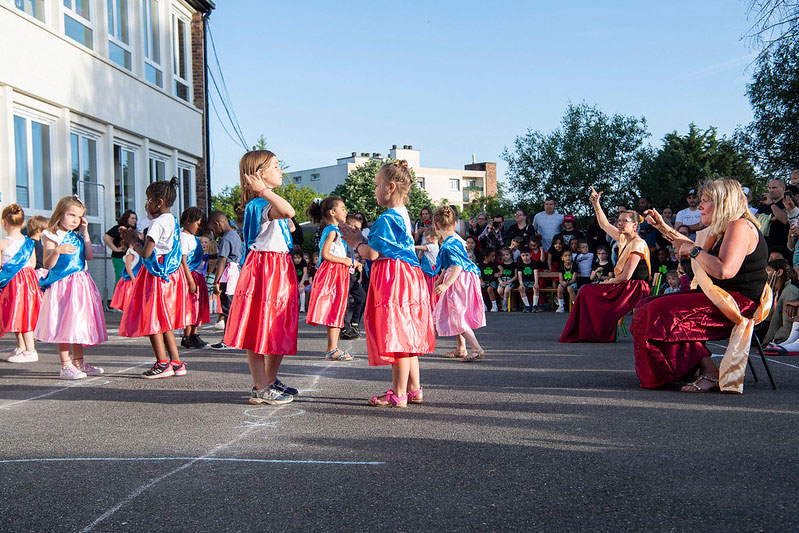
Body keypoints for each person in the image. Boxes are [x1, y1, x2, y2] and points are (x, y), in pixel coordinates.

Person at [633, 179, 767, 392]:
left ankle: (709, 372)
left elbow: (724, 270)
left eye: (705, 201)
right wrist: (662, 227)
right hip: (721, 297)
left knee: (659, 312)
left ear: (723, 202)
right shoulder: (723, 228)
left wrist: (695, 252)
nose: (700, 206)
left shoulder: (739, 226)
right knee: (645, 305)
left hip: (737, 304)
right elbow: (690, 246)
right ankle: (685, 367)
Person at [339, 160, 435, 407]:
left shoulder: (387, 218)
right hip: (409, 276)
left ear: (391, 187)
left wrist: (356, 241)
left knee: (398, 333)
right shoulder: (404, 215)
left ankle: (398, 392)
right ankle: (413, 389)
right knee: (408, 333)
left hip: (395, 279)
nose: (375, 190)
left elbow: (372, 253)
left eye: (377, 185)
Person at [223, 150, 299, 405]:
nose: (281, 171)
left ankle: (269, 379)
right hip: (265, 269)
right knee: (259, 325)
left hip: (278, 266)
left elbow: (289, 224)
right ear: (259, 174)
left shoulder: (268, 202)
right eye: (276, 166)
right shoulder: (260, 203)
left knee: (278, 325)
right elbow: (289, 212)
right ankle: (260, 385)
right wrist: (264, 191)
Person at [119, 179, 191, 379]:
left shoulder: (156, 224)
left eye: (148, 199)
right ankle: (176, 362)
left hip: (155, 275)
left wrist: (132, 242)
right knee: (164, 321)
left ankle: (162, 363)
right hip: (169, 274)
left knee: (152, 320)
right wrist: (139, 238)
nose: (146, 204)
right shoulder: (172, 220)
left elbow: (147, 253)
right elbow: (162, 246)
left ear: (158, 202)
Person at [559, 189, 651, 342]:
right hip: (623, 284)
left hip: (633, 287)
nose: (619, 224)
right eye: (619, 221)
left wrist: (608, 281)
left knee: (587, 291)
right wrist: (596, 204)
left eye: (624, 221)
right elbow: (604, 224)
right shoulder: (624, 239)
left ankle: (595, 332)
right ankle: (589, 332)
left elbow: (626, 276)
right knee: (586, 290)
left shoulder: (638, 244)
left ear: (635, 225)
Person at [35, 196, 107, 379]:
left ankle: (79, 362)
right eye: (71, 215)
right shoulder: (51, 235)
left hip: (80, 285)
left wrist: (86, 233)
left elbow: (89, 256)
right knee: (64, 325)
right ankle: (65, 365)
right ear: (60, 213)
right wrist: (57, 251)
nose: (75, 220)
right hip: (63, 285)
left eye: (79, 216)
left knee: (77, 325)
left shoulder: (77, 236)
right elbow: (47, 264)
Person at [306, 196, 359, 361]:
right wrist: (347, 261)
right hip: (333, 273)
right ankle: (332, 349)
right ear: (332, 212)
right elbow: (325, 254)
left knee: (338, 309)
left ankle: (333, 348)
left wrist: (351, 262)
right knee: (335, 309)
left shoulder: (334, 229)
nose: (345, 211)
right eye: (342, 208)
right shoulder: (332, 230)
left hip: (338, 272)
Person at [432, 205, 486, 361]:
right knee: (452, 311)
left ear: (436, 226)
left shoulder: (450, 244)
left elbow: (458, 265)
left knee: (457, 313)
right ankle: (461, 348)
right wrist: (441, 280)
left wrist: (446, 284)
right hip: (460, 277)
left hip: (459, 279)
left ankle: (476, 348)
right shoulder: (453, 240)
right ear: (455, 224)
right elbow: (449, 265)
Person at [0, 204, 42, 363]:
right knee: (22, 314)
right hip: (28, 282)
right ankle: (22, 347)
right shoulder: (29, 243)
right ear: (23, 223)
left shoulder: (2, 243)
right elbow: (32, 264)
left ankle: (30, 350)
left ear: (3, 222)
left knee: (18, 314)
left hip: (13, 284)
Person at [207, 210, 242, 349]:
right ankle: (234, 338)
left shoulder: (225, 238)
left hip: (228, 275)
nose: (214, 232)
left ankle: (229, 340)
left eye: (213, 229)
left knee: (228, 308)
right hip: (236, 271)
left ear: (218, 224)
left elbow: (222, 260)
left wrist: (216, 282)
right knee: (233, 307)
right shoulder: (234, 234)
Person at [179, 207, 210, 349]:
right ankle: (187, 335)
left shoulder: (192, 237)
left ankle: (194, 333)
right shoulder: (183, 237)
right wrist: (190, 281)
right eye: (197, 223)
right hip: (191, 275)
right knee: (191, 306)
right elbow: (183, 260)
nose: (198, 227)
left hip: (198, 274)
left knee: (198, 306)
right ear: (188, 221)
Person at [340, 213, 367, 340]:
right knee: (343, 302)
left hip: (350, 273)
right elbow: (336, 255)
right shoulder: (339, 237)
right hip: (341, 273)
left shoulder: (350, 241)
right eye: (355, 228)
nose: (357, 231)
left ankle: (354, 322)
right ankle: (344, 328)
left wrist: (357, 264)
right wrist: (352, 262)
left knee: (361, 296)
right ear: (347, 226)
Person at [761, 259, 799, 347]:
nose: (765, 274)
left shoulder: (790, 291)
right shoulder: (772, 291)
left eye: (768, 270)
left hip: (782, 340)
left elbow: (788, 323)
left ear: (779, 272)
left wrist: (780, 340)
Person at [103, 210, 140, 285]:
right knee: (121, 278)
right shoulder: (119, 228)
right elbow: (106, 237)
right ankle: (117, 296)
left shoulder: (133, 230)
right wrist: (115, 248)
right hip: (120, 257)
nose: (134, 220)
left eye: (135, 218)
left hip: (132, 258)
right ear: (126, 219)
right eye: (132, 218)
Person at [758, 179, 790, 253]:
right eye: (769, 188)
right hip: (764, 246)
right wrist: (770, 218)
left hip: (780, 246)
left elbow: (785, 219)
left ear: (783, 189)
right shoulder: (764, 204)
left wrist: (771, 204)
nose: (771, 190)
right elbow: (756, 217)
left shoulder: (787, 202)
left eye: (774, 188)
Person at [109, 242, 141, 312]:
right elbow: (128, 267)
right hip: (130, 279)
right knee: (128, 296)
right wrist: (133, 277)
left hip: (135, 277)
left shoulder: (137, 254)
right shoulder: (130, 255)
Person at [415, 226, 441, 310]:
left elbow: (422, 248)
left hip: (431, 271)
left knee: (430, 290)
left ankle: (432, 306)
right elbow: (419, 256)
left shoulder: (433, 246)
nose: (425, 239)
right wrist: (423, 246)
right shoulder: (429, 246)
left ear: (433, 237)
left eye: (427, 237)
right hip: (426, 270)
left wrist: (412, 247)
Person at [478, 248, 500, 313]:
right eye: (492, 256)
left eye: (494, 256)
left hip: (493, 281)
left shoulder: (494, 263)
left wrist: (499, 273)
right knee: (478, 289)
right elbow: (480, 274)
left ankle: (494, 305)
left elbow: (501, 269)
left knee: (489, 289)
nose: (494, 258)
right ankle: (483, 305)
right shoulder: (481, 265)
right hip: (484, 281)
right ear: (485, 257)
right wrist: (481, 281)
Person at [516, 248, 537, 312]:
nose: (525, 257)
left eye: (527, 255)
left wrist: (536, 283)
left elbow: (536, 274)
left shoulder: (533, 263)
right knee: (521, 288)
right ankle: (527, 305)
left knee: (536, 288)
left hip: (532, 281)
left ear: (530, 255)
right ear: (521, 256)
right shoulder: (520, 264)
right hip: (524, 281)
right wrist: (521, 284)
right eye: (523, 256)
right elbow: (519, 275)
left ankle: (535, 305)